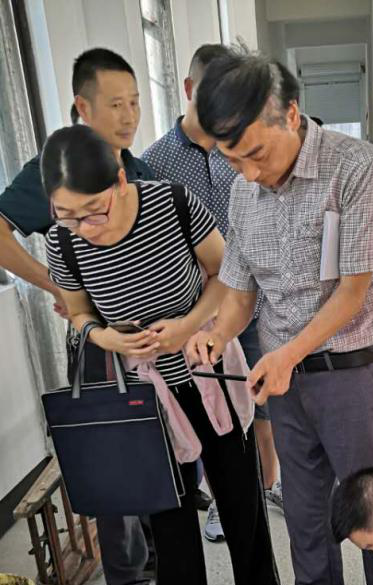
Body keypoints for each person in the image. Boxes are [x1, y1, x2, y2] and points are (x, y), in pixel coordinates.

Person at [184, 49, 373, 585]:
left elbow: (352, 292)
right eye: (232, 159)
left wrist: (288, 353)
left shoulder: (358, 170)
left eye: (256, 153)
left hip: (352, 374)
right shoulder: (243, 189)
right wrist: (217, 333)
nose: (248, 172)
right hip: (284, 385)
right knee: (305, 517)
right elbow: (240, 292)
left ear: (290, 114)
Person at [41, 125, 284, 585]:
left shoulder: (171, 202)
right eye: (67, 215)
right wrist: (105, 336)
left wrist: (189, 325)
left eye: (93, 211)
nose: (84, 228)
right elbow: (78, 312)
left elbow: (226, 275)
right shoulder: (63, 242)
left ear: (119, 180)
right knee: (167, 507)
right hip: (143, 392)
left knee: (238, 492)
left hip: (208, 368)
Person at [0, 48, 158, 585]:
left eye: (135, 103)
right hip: (100, 343)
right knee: (112, 456)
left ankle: (158, 554)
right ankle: (128, 580)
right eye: (115, 104)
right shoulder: (56, 171)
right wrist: (57, 281)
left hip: (156, 340)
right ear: (83, 106)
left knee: (159, 447)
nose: (129, 116)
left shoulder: (139, 169)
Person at [142, 43, 284, 547]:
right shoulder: (155, 162)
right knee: (214, 410)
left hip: (255, 300)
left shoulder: (244, 146)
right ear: (189, 89)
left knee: (263, 403)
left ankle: (268, 485)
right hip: (198, 311)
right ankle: (226, 501)